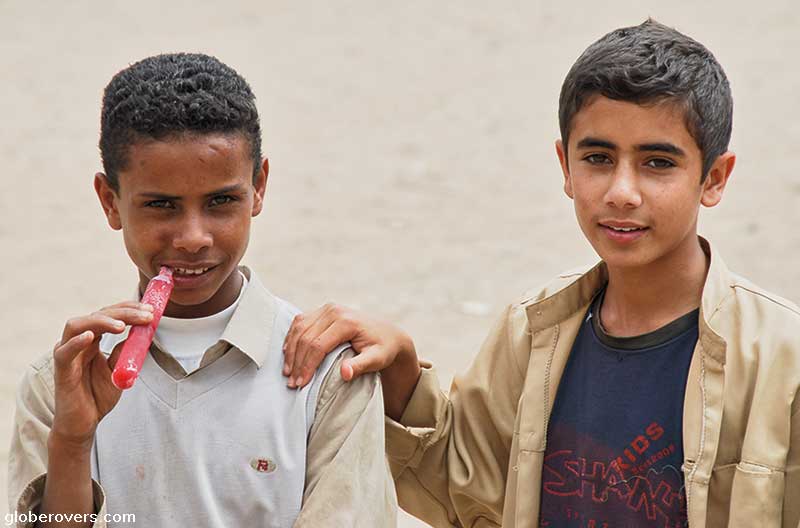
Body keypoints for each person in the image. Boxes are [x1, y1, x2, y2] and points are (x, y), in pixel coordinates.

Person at [282, 20, 800, 527]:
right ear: (565, 167)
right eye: (598, 157)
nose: (622, 191)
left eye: (658, 163)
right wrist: (400, 371)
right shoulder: (534, 332)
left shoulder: (782, 359)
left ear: (714, 177)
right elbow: (466, 491)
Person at [7, 53, 396, 528]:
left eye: (220, 201)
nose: (193, 237)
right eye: (161, 205)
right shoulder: (61, 384)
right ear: (111, 202)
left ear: (258, 188)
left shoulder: (328, 375)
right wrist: (71, 442)